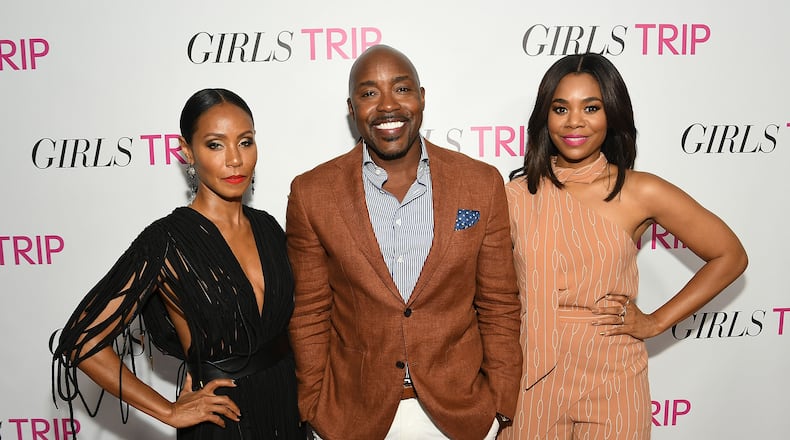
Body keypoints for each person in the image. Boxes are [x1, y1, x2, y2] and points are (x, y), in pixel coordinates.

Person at [500, 53, 748, 439]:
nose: (574, 121)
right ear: (544, 118)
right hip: (531, 378)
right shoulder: (514, 196)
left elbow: (730, 255)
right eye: (561, 108)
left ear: (612, 114)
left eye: (591, 108)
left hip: (612, 375)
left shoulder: (639, 191)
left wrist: (656, 321)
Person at [285, 45, 522, 440]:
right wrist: (312, 408)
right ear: (352, 108)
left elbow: (499, 304)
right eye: (369, 93)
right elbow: (310, 313)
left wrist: (499, 406)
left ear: (421, 97)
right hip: (352, 417)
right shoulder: (313, 193)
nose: (387, 106)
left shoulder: (480, 183)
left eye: (401, 89)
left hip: (459, 415)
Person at [51, 88, 303, 439]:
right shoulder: (166, 241)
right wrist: (168, 411)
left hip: (285, 408)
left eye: (245, 142)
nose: (235, 159)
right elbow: (82, 340)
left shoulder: (268, 227)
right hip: (222, 420)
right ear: (188, 152)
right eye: (215, 145)